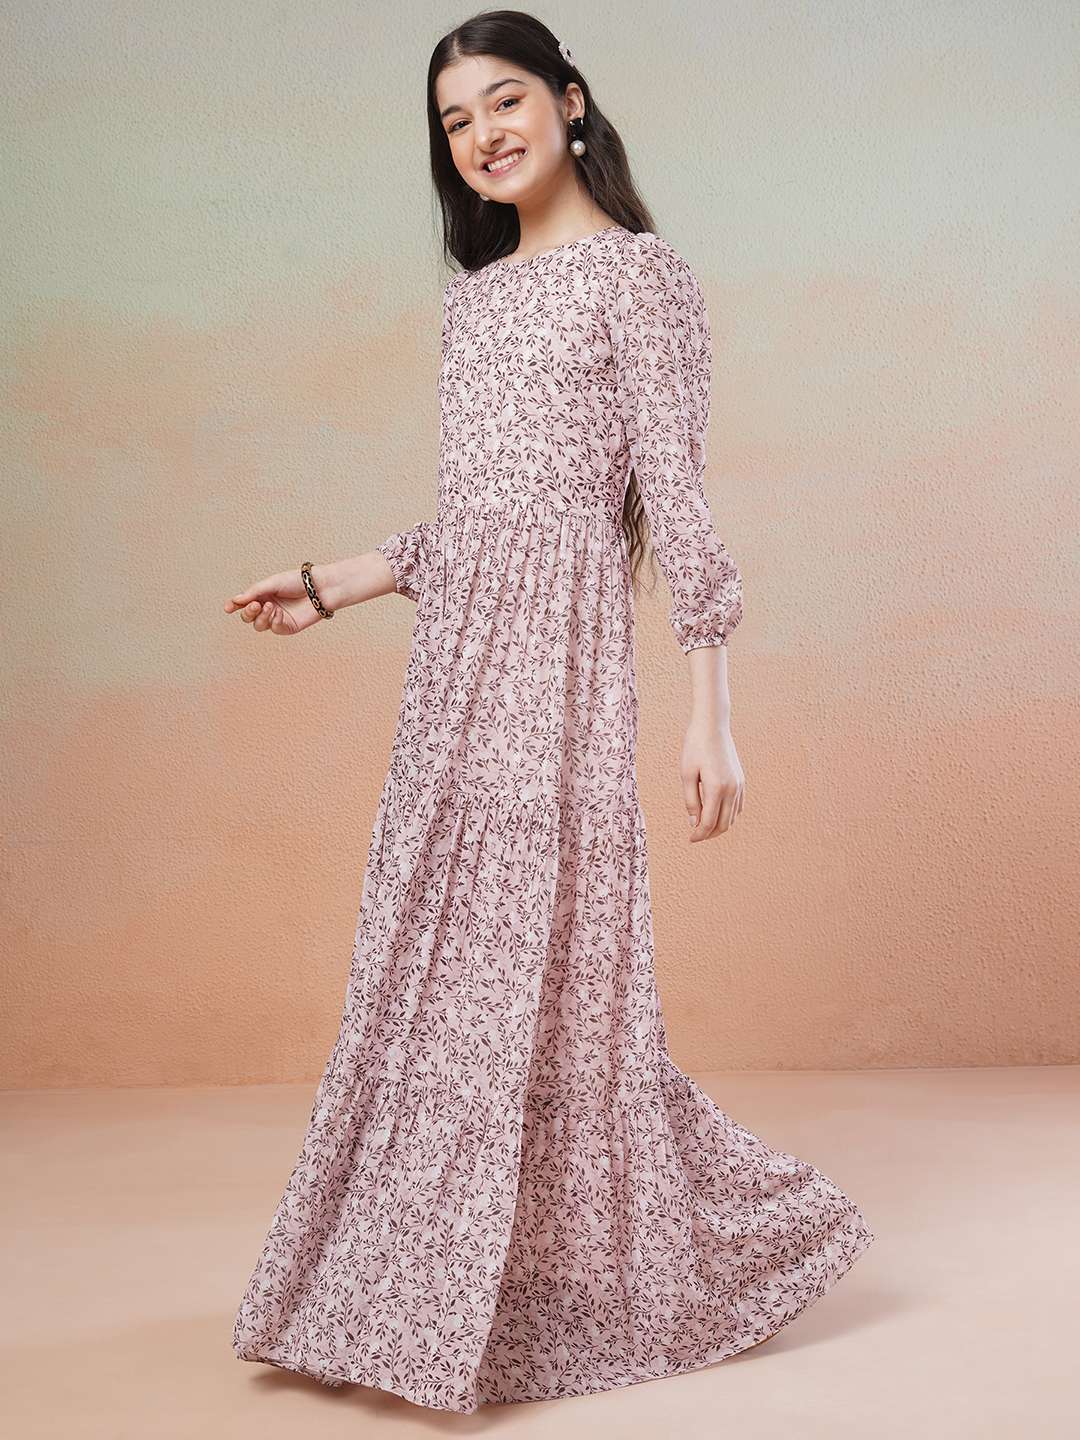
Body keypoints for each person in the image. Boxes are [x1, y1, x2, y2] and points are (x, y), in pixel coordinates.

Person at [225, 11, 874, 1415]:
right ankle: (410, 1302)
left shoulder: (641, 277)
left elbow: (675, 497)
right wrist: (333, 582)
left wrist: (710, 708)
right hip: (453, 672)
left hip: (564, 672)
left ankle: (633, 1266)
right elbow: (479, 520)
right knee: (430, 966)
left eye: (505, 101)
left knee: (550, 973)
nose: (484, 136)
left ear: (571, 102)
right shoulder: (474, 303)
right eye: (456, 122)